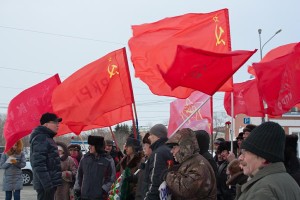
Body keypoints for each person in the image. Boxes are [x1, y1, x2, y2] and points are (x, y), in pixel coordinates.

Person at [237, 121, 300, 199]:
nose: (240, 158)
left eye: (245, 152)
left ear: (263, 158)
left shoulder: (262, 190)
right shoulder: (289, 181)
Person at [165, 128, 217, 199]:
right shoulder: (192, 161)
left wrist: (167, 176)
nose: (172, 151)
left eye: (174, 147)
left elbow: (186, 189)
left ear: (184, 147)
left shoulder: (199, 164)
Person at [29, 112, 62, 200]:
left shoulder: (47, 138)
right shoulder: (41, 138)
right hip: (46, 185)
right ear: (46, 124)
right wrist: (48, 185)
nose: (58, 125)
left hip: (48, 184)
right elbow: (39, 164)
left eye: (58, 123)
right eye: (55, 122)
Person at [74, 135, 115, 200]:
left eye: (92, 145)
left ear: (98, 146)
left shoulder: (108, 160)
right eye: (89, 145)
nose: (89, 147)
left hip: (99, 196)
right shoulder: (84, 158)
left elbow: (111, 178)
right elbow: (79, 175)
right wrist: (77, 189)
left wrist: (103, 190)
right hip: (84, 195)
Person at [142, 124, 173, 200]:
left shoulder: (158, 153)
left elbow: (155, 181)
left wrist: (148, 198)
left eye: (151, 134)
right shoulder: (168, 150)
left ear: (157, 136)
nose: (149, 137)